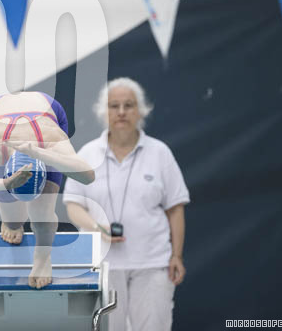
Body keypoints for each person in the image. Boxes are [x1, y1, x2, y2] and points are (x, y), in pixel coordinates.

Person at [63, 77, 189, 331]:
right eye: (114, 106)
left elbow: (175, 207)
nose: (121, 112)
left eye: (129, 105)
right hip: (102, 265)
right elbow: (73, 204)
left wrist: (176, 255)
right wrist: (96, 226)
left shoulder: (160, 153)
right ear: (104, 112)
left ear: (141, 111)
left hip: (153, 264)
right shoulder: (87, 154)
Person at [0, 91, 95, 289]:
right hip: (1, 121)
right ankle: (11, 223)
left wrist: (43, 155)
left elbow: (88, 176)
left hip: (47, 118)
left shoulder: (52, 138)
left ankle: (42, 259)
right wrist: (5, 184)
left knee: (42, 214)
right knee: (13, 221)